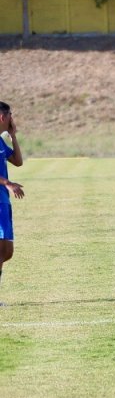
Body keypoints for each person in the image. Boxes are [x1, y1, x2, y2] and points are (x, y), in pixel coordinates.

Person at [0, 102, 25, 295]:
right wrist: (7, 183)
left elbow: (17, 161)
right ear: (3, 117)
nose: (12, 118)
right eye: (10, 114)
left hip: (3, 201)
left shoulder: (0, 142)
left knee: (6, 252)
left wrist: (13, 136)